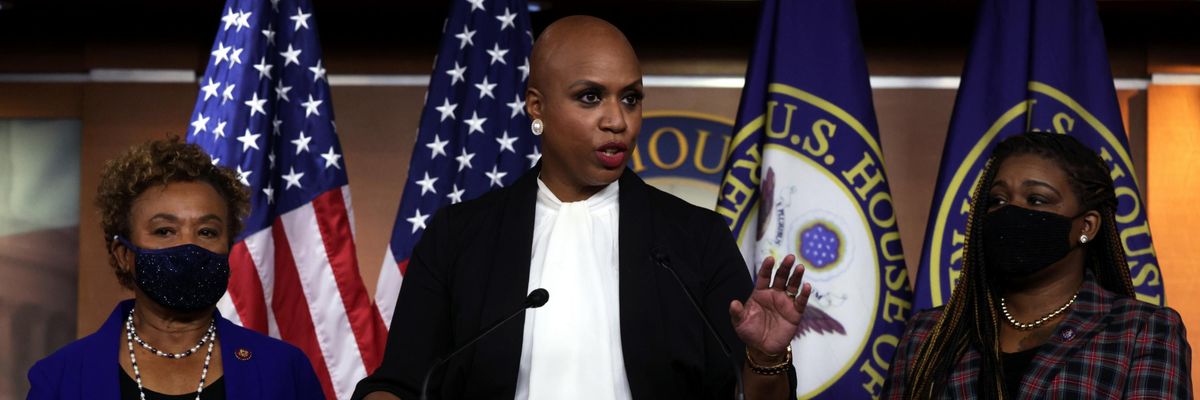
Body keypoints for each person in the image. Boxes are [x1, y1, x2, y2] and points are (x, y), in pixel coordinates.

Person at [353, 16, 811, 400]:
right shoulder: (459, 235)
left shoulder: (695, 237)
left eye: (630, 98)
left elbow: (747, 392)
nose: (617, 120)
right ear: (538, 106)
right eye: (590, 96)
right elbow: (402, 384)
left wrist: (766, 358)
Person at [881, 132, 1192, 399]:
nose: (1011, 211)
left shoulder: (1142, 331)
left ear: (1086, 226)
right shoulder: (928, 333)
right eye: (998, 201)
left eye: (1037, 200)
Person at [27, 138, 325, 400]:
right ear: (123, 255)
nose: (189, 247)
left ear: (228, 247)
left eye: (207, 232)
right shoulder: (59, 378)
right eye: (165, 231)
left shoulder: (284, 370)